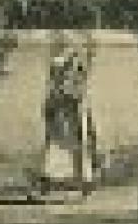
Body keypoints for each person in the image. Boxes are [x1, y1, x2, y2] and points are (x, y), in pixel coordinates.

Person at [40, 45, 101, 196]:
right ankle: (55, 181)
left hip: (75, 122)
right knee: (60, 150)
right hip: (65, 125)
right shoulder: (57, 91)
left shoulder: (73, 89)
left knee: (81, 148)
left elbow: (77, 102)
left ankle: (84, 181)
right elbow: (52, 108)